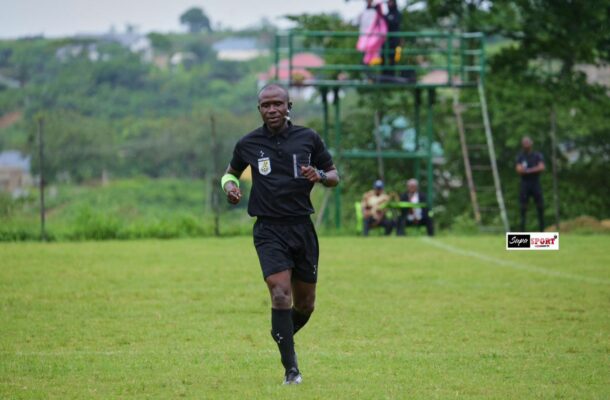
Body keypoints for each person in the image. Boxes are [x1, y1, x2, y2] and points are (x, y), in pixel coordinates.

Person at [221, 84, 339, 385]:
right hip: (268, 229)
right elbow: (230, 172)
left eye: (277, 104)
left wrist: (321, 176)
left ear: (289, 106)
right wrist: (230, 187)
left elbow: (334, 175)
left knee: (305, 304)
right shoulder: (248, 143)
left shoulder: (308, 138)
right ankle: (292, 370)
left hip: (302, 228)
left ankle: (281, 332)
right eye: (265, 105)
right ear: (259, 109)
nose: (272, 109)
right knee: (279, 292)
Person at [516, 136, 545, 231]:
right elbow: (519, 170)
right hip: (525, 184)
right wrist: (534, 170)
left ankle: (542, 230)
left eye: (527, 143)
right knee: (523, 208)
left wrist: (528, 171)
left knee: (540, 206)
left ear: (531, 144)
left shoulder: (537, 155)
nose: (526, 145)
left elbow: (541, 167)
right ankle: (522, 232)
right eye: (524, 143)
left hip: (535, 183)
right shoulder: (520, 156)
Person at [383, 0, 402, 75]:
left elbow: (395, 23)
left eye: (390, 2)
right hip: (386, 40)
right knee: (383, 55)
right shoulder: (387, 14)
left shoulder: (397, 13)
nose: (388, 4)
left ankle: (392, 74)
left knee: (393, 57)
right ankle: (384, 74)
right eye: (388, 2)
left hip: (394, 40)